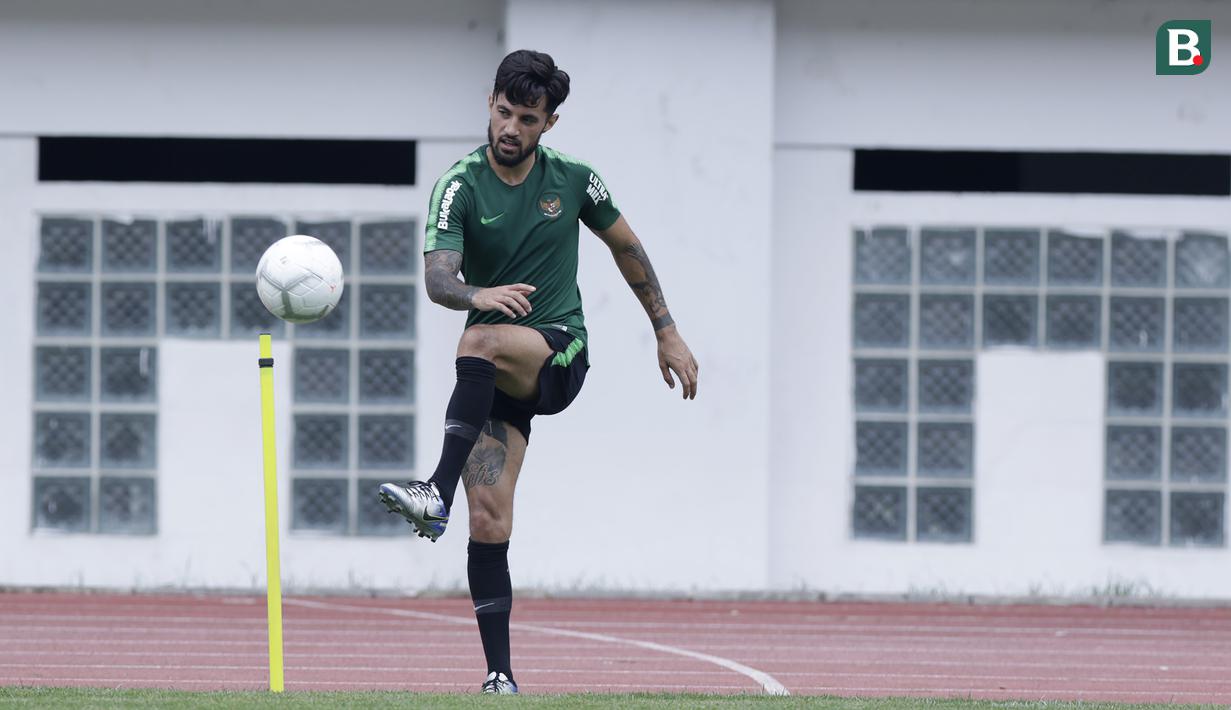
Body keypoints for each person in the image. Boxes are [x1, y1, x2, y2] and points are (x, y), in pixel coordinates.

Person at [378, 49, 699, 695]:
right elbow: (438, 279)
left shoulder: (575, 179)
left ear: (548, 123)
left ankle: (434, 492)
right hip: (493, 376)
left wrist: (666, 330)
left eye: (527, 119)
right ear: (490, 103)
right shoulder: (459, 185)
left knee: (480, 339)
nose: (511, 128)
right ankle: (499, 677)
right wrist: (478, 293)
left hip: (558, 352)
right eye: (504, 112)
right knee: (489, 519)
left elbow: (627, 247)